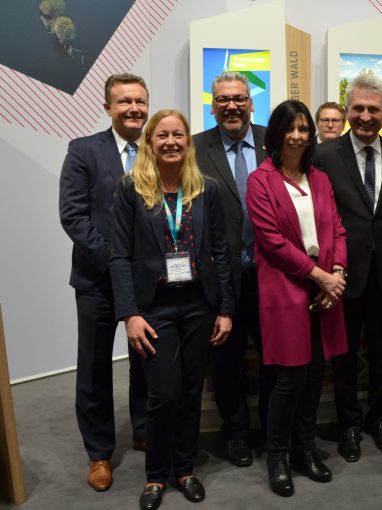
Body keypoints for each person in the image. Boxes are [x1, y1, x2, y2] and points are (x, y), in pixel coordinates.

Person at [109, 109, 234, 510]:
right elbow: (119, 257)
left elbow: (219, 251)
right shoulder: (130, 189)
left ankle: (185, 469)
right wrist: (129, 314)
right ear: (150, 142)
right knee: (164, 393)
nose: (171, 142)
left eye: (178, 134)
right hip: (154, 309)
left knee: (190, 392)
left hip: (198, 305)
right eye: (161, 135)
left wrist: (226, 309)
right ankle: (155, 476)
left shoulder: (206, 190)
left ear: (188, 142)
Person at [245, 99, 349, 497]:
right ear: (276, 133)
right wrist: (320, 275)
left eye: (304, 128)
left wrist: (337, 272)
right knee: (288, 378)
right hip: (287, 287)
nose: (297, 135)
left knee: (313, 376)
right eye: (290, 128)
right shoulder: (261, 180)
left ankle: (306, 450)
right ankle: (278, 457)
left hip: (324, 287)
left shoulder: (319, 178)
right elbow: (271, 241)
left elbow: (337, 230)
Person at [314, 73, 382, 462]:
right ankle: (349, 425)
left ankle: (380, 419)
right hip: (340, 276)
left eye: (374, 109)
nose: (366, 116)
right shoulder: (323, 156)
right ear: (346, 111)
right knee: (341, 354)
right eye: (358, 108)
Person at [58, 73, 149, 492]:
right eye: (124, 101)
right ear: (108, 107)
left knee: (146, 361)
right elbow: (74, 216)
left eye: (140, 101)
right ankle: (98, 453)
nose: (133, 108)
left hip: (149, 280)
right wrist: (114, 263)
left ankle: (144, 429)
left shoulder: (161, 146)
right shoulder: (83, 151)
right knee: (94, 369)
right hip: (96, 280)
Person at [193, 71, 267, 467]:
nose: (232, 106)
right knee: (226, 362)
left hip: (272, 276)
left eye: (239, 98)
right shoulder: (192, 148)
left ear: (252, 103)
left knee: (275, 358)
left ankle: (275, 430)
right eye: (223, 100)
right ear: (213, 105)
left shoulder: (277, 140)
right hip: (220, 279)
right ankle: (236, 433)